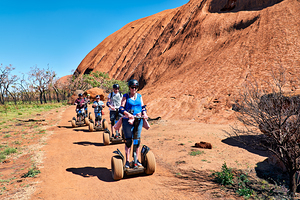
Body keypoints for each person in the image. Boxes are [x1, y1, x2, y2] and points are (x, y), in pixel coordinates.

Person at [118, 79, 148, 169]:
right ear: (129, 87)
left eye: (135, 87)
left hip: (138, 120)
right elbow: (121, 108)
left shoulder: (139, 96)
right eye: (132, 87)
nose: (133, 89)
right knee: (128, 141)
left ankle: (136, 160)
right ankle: (127, 161)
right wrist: (128, 114)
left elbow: (143, 107)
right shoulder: (125, 96)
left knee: (137, 140)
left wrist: (145, 113)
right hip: (127, 121)